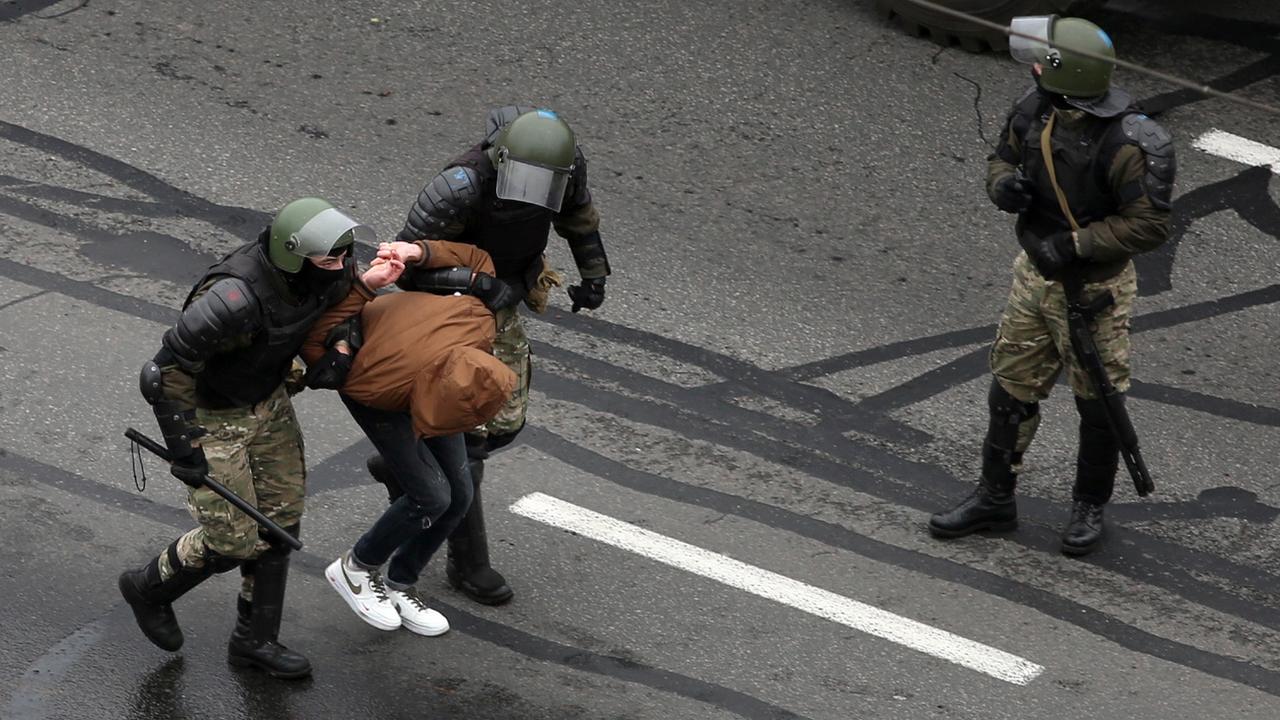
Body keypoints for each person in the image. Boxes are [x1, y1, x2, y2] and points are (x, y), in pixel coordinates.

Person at [118, 198, 403, 678]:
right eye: (330, 260)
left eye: (342, 258)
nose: (340, 267)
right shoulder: (233, 298)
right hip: (213, 416)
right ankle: (149, 587)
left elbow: (334, 309)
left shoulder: (327, 270)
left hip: (268, 402)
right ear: (294, 255)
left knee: (280, 521)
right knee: (231, 541)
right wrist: (185, 449)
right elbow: (165, 372)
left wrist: (349, 321)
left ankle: (254, 640)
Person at [928, 17, 1175, 556]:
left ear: (1067, 72)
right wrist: (1003, 186)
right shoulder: (1035, 108)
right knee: (1011, 387)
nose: (1034, 65)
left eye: (1044, 60)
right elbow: (1002, 158)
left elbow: (1151, 224)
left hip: (1094, 290)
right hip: (1034, 276)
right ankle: (995, 498)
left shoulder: (1134, 142)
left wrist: (1076, 245)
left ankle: (1088, 507)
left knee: (1099, 405)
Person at [389, 105, 612, 604]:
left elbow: (579, 218)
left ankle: (407, 464)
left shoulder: (567, 167)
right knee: (469, 433)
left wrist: (594, 275)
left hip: (505, 293)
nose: (534, 192)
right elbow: (404, 263)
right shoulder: (460, 185)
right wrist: (478, 284)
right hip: (449, 303)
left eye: (545, 183)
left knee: (503, 420)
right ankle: (467, 563)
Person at [300, 239, 516, 634]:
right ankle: (355, 567)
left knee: (461, 495)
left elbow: (477, 257)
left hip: (431, 374)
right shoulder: (375, 385)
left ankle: (401, 583)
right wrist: (366, 287)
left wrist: (418, 252)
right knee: (431, 495)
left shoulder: (479, 322)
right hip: (377, 393)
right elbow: (316, 339)